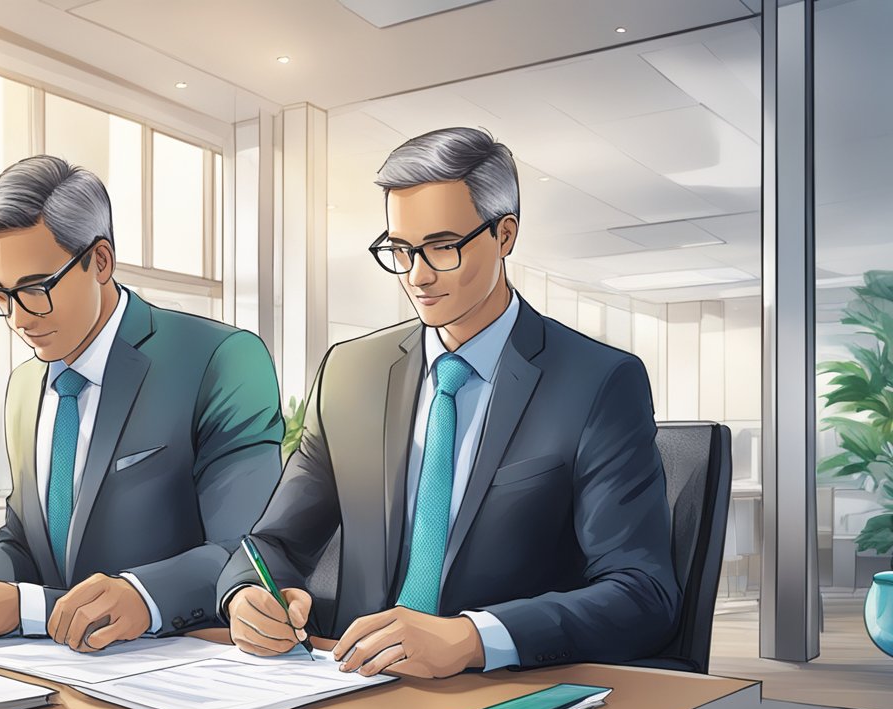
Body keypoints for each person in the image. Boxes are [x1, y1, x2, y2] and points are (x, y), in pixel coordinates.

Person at [219, 127, 680, 678]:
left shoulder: (597, 381)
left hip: (504, 695)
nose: (417, 276)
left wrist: (473, 638)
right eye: (400, 249)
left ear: (504, 235)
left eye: (442, 247)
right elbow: (275, 542)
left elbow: (642, 594)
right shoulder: (350, 372)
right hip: (350, 682)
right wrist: (249, 594)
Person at [0, 155, 283, 652]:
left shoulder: (219, 359)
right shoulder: (24, 387)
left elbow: (246, 550)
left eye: (36, 289)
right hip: (50, 670)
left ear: (99, 261)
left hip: (177, 667)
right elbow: (25, 543)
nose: (18, 318)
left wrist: (141, 596)